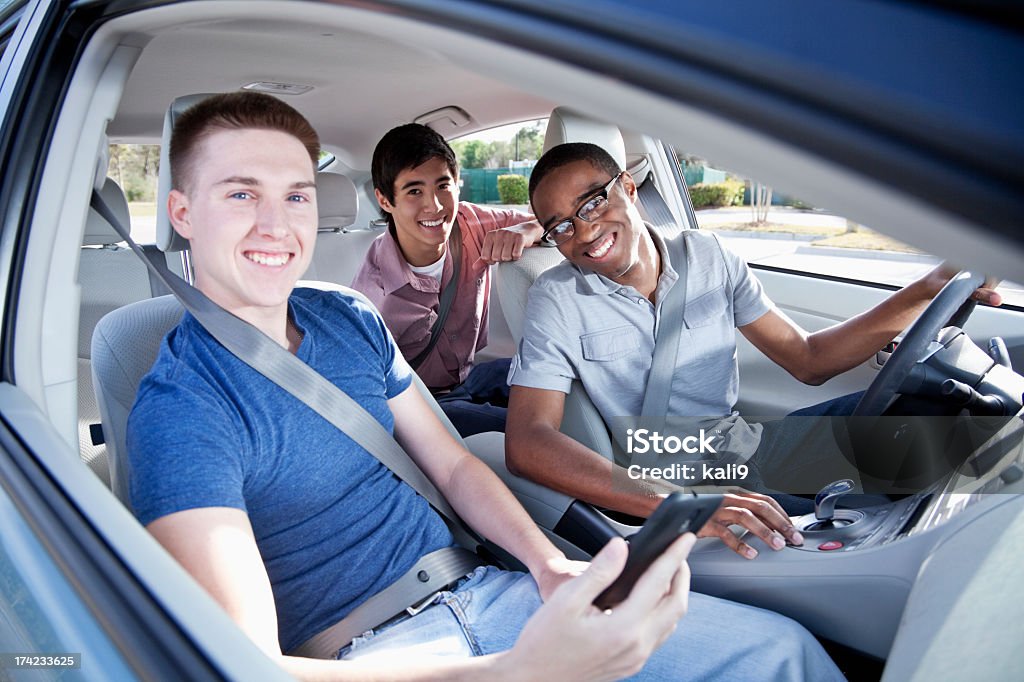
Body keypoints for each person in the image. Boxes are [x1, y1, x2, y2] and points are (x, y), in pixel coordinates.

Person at [126, 92, 843, 680]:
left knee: (782, 654)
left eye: (296, 195)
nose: (276, 225)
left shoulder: (347, 318)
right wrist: (517, 671)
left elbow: (457, 466)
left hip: (489, 590)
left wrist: (548, 565)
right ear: (183, 213)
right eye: (241, 193)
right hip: (374, 657)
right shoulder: (180, 409)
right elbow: (248, 670)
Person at [505, 142, 1002, 560]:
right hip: (669, 475)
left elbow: (808, 360)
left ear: (629, 189)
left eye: (592, 203)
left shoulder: (710, 256)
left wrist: (930, 286)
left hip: (749, 448)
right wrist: (679, 504)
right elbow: (528, 441)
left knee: (944, 413)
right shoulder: (558, 297)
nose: (584, 230)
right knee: (882, 512)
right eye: (562, 226)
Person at [352, 123, 543, 437]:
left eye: (443, 186)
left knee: (552, 379)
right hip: (417, 406)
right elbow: (364, 392)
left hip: (468, 378)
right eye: (415, 191)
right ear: (385, 200)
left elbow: (551, 223)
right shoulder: (373, 295)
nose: (435, 206)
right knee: (528, 429)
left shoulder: (473, 225)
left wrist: (526, 229)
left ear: (458, 183)